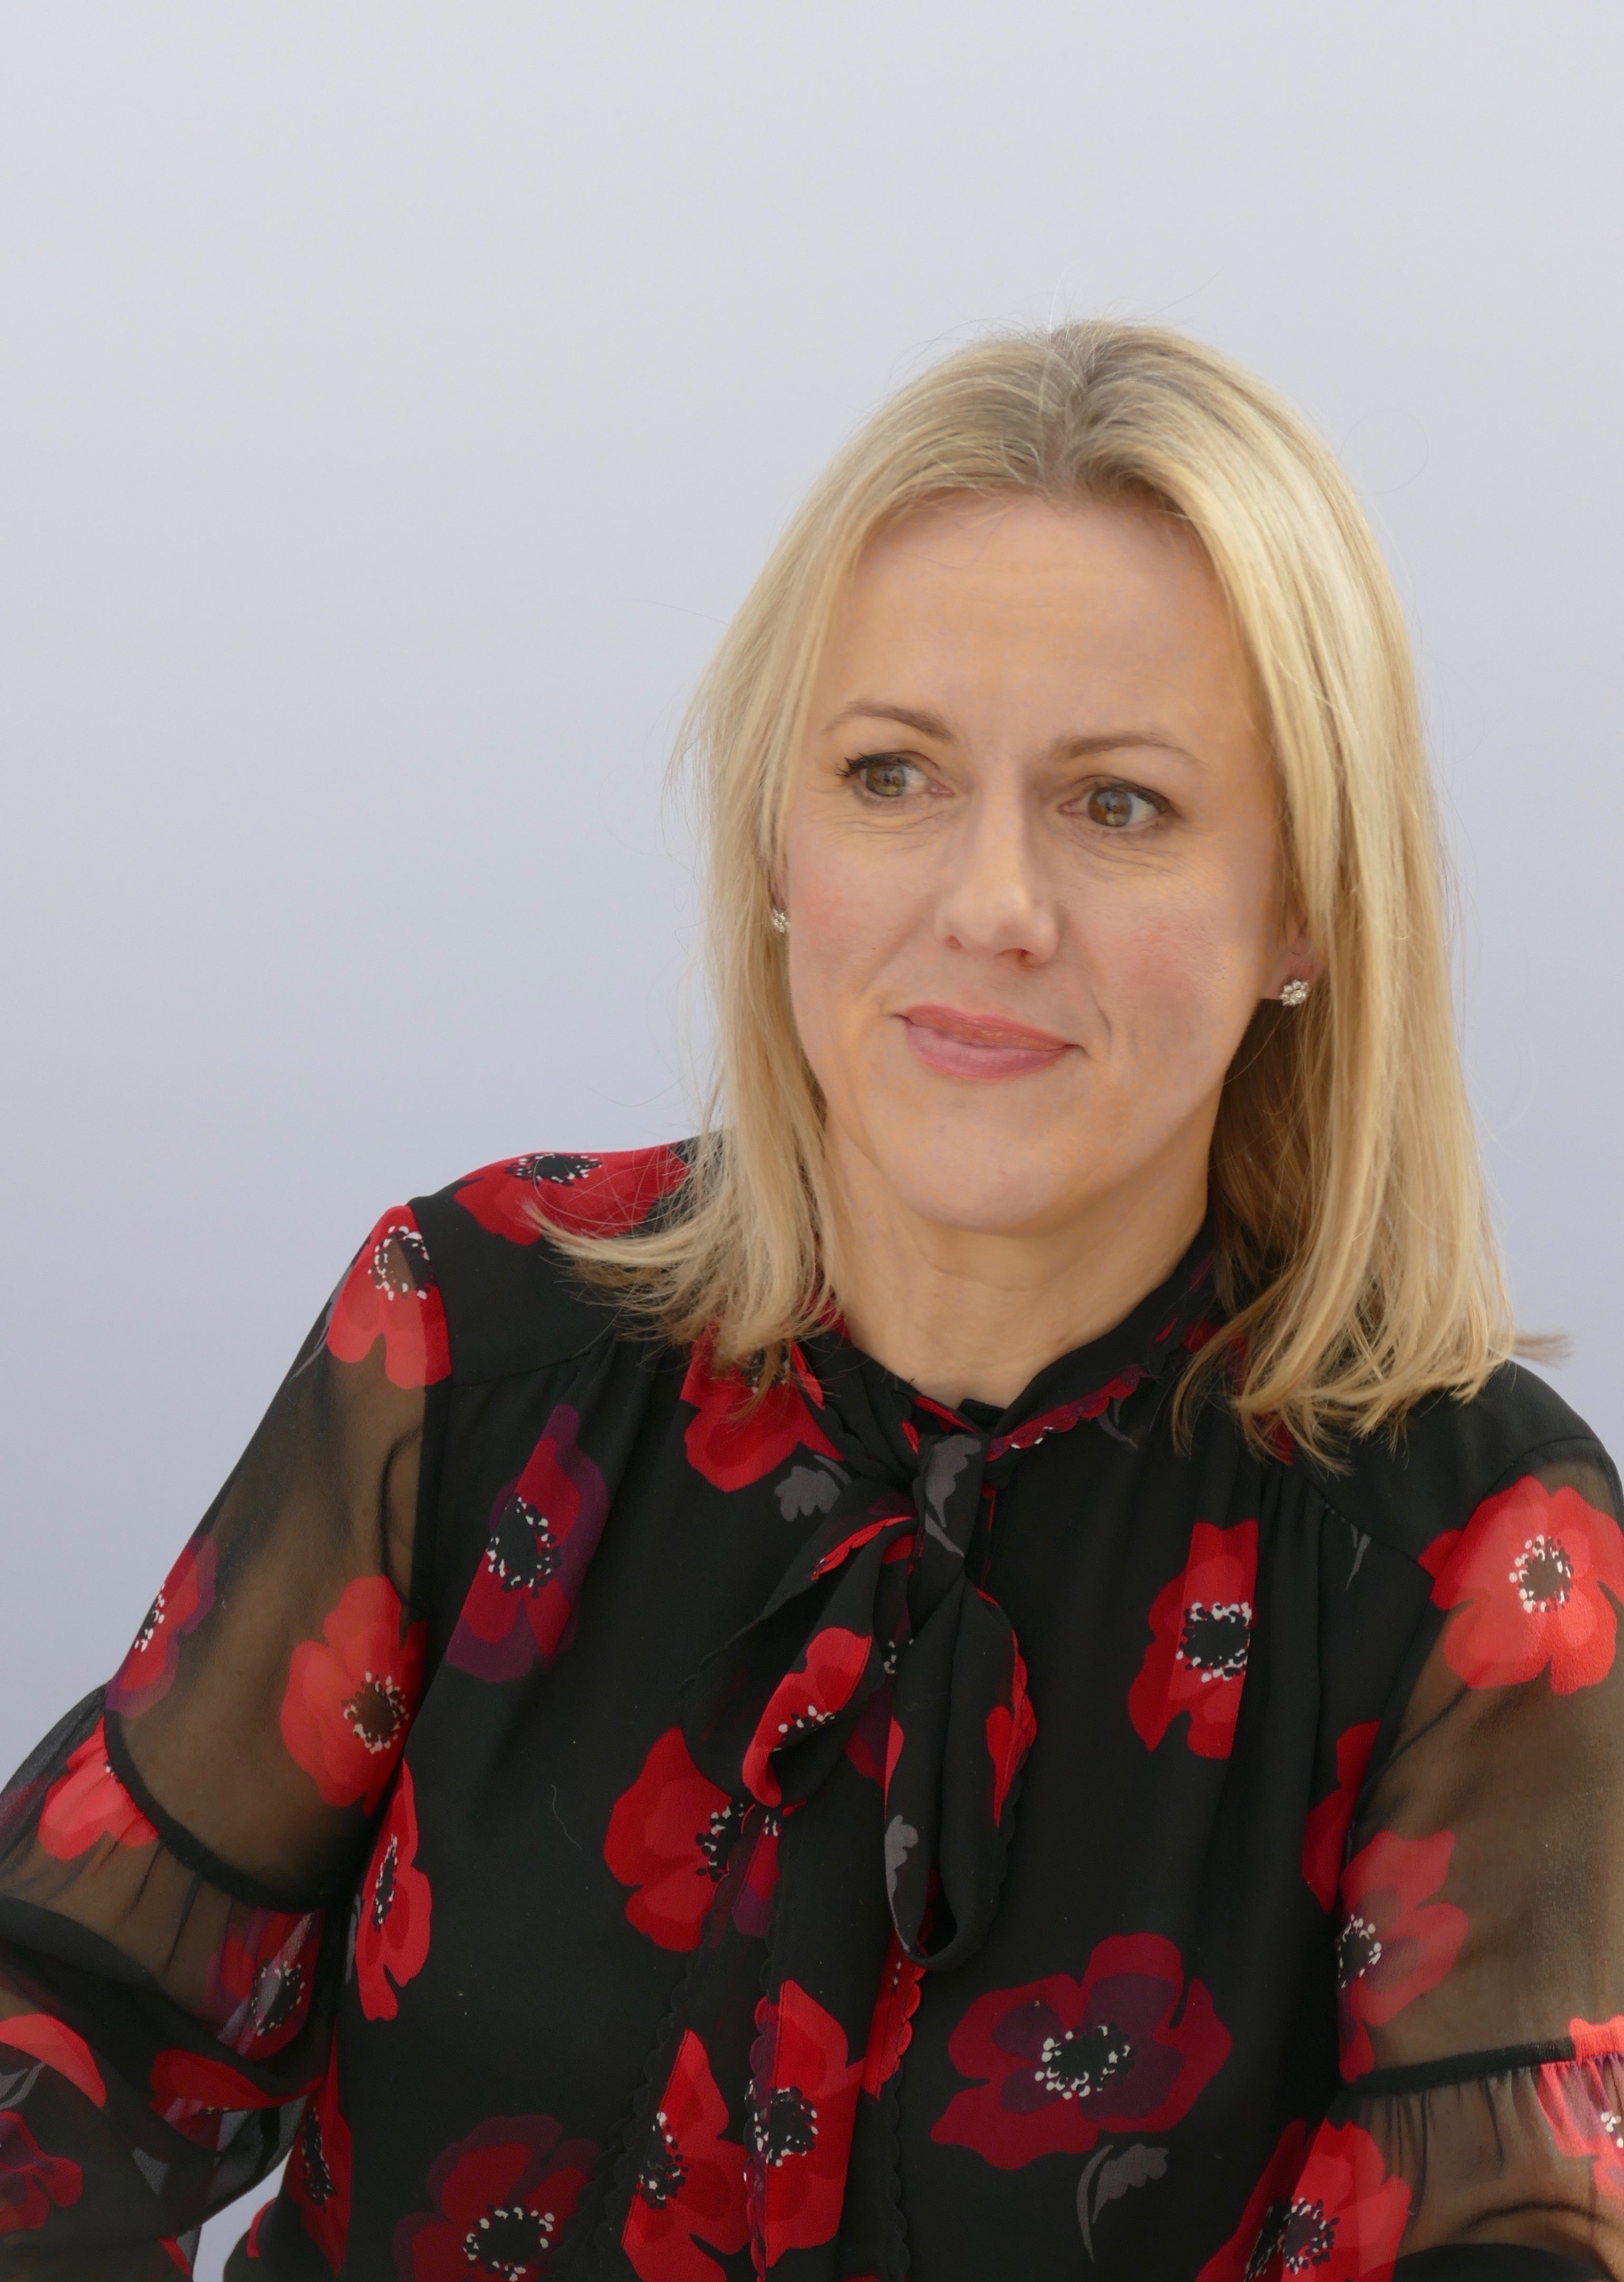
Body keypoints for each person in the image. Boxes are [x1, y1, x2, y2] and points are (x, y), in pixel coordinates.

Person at [2, 322, 1619, 2282]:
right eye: (891, 774)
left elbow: (1513, 2246)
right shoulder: (467, 1340)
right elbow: (70, 2027)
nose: (992, 904)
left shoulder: (1477, 1556)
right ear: (781, 840)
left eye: (1119, 804)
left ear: (1304, 904)